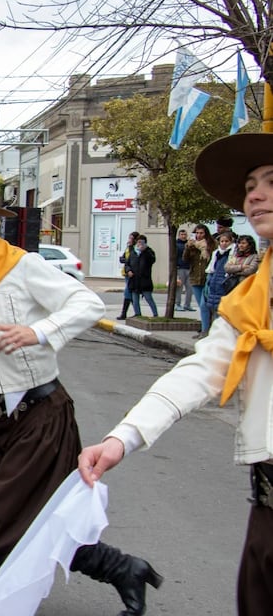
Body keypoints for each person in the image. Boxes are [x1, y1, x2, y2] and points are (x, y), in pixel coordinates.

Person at [0, 178, 161, 616]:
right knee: (32, 521)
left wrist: (37, 332)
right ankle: (124, 569)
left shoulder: (19, 266)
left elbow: (86, 304)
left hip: (41, 413)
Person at [78, 131, 273, 615]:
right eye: (250, 184)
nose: (255, 194)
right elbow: (202, 370)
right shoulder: (253, 295)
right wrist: (123, 437)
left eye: (271, 181)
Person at [201, 230, 236, 336]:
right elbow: (211, 269)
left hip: (225, 283)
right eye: (222, 241)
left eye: (226, 241)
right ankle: (211, 332)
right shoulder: (216, 253)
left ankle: (222, 334)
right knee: (212, 307)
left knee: (222, 310)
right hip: (214, 282)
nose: (224, 243)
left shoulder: (233, 253)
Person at [185, 224, 216, 335]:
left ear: (206, 234)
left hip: (207, 278)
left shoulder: (211, 245)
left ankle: (206, 330)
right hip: (195, 277)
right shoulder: (192, 245)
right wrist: (188, 247)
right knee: (202, 306)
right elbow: (185, 259)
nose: (199, 235)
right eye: (197, 233)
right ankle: (205, 329)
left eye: (201, 233)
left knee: (205, 305)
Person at [124, 234, 158, 317]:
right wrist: (128, 270)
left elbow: (152, 260)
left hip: (144, 280)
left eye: (141, 242)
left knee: (148, 298)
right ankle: (137, 313)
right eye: (138, 242)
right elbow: (127, 264)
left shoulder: (149, 251)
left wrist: (144, 251)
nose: (139, 244)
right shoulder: (133, 252)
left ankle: (155, 314)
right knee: (135, 299)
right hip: (134, 279)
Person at [116, 231, 140, 319]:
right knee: (130, 293)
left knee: (128, 293)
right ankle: (137, 313)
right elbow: (123, 258)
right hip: (126, 273)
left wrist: (126, 261)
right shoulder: (128, 248)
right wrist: (123, 259)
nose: (129, 240)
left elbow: (132, 261)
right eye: (129, 238)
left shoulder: (136, 249)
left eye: (131, 238)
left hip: (132, 274)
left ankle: (125, 313)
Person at [175, 229, 195, 311]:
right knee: (179, 287)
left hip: (189, 268)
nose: (183, 236)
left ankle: (187, 304)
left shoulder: (189, 244)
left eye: (185, 234)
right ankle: (177, 304)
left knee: (189, 288)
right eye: (182, 234)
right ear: (179, 235)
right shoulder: (176, 244)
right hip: (180, 268)